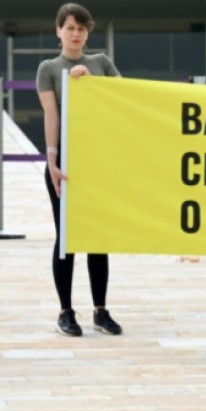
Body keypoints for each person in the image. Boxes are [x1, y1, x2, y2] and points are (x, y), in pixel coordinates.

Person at [37, 3, 123, 337]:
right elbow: (52, 116)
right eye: (70, 28)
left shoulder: (100, 62)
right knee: (67, 239)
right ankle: (66, 311)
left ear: (89, 33)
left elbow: (121, 98)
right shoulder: (48, 67)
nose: (76, 34)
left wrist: (88, 84)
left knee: (97, 237)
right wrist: (52, 162)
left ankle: (100, 310)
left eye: (82, 28)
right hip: (65, 167)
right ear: (58, 30)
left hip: (97, 163)